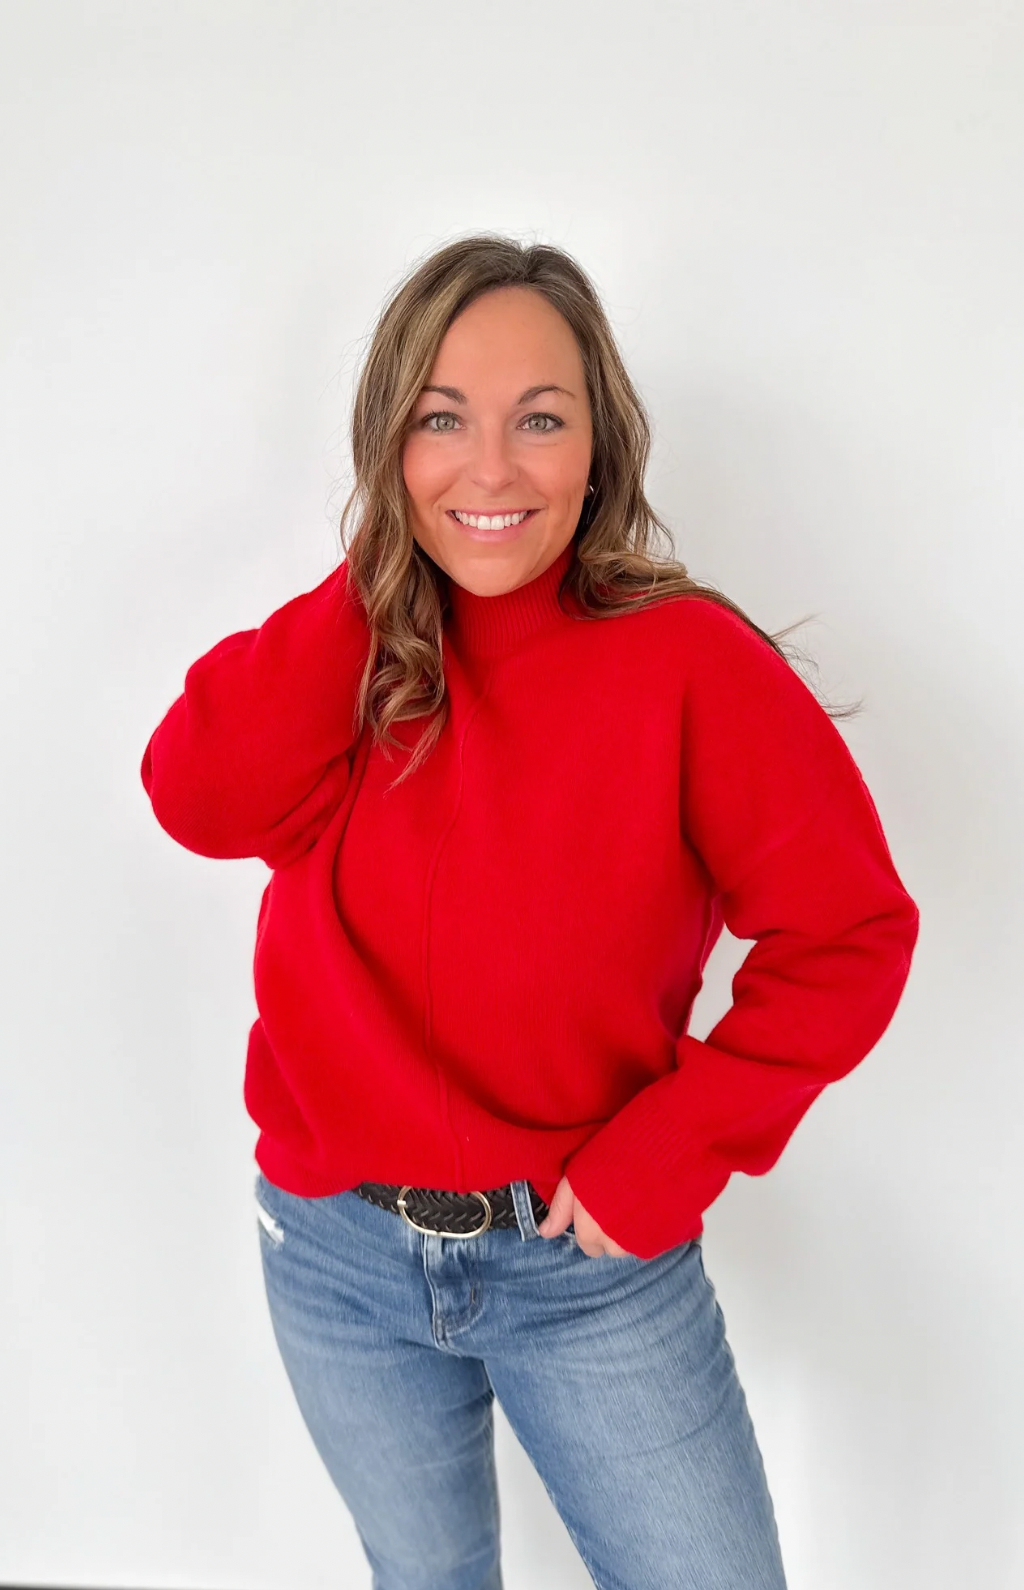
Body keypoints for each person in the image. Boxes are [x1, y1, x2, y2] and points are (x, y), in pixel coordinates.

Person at [140, 234, 920, 1590]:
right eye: (441, 421)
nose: (490, 468)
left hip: (586, 1264)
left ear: (599, 447)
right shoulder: (351, 653)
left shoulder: (689, 665)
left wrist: (665, 1152)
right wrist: (379, 584)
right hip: (334, 1249)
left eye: (539, 420)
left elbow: (847, 933)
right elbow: (195, 797)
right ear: (388, 443)